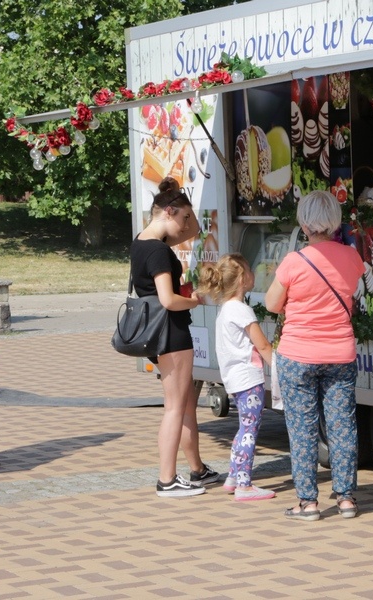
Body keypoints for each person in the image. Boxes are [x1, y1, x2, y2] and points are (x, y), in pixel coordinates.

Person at [264, 190, 364, 521]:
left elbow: (271, 304)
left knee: (302, 428)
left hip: (298, 354)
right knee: (342, 425)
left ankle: (308, 503)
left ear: (305, 223)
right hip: (340, 353)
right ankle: (347, 498)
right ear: (334, 221)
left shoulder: (294, 261)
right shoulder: (351, 258)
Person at [132, 177, 219, 497]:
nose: (187, 226)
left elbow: (193, 230)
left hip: (159, 334)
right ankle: (167, 479)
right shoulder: (158, 251)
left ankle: (196, 470)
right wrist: (194, 300)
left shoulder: (141, 242)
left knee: (182, 406)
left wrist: (177, 197)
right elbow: (168, 300)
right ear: (167, 212)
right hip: (172, 331)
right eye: (182, 216)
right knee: (175, 408)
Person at [197, 253, 275, 501]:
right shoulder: (241, 311)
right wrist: (281, 368)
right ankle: (244, 484)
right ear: (243, 278)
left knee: (244, 428)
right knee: (250, 430)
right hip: (249, 379)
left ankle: (233, 476)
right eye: (250, 271)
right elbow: (262, 345)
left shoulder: (225, 310)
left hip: (235, 379)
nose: (254, 275)